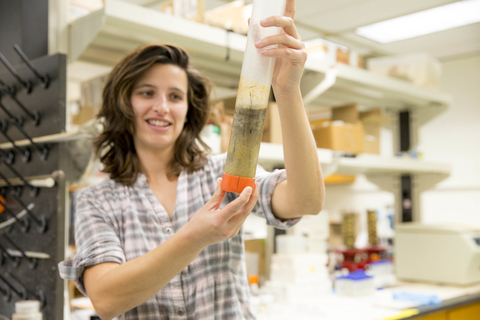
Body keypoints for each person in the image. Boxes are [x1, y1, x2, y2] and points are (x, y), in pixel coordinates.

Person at [59, 1, 325, 319]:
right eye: (146, 93)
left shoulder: (226, 172)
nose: (162, 107)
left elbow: (306, 200)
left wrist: (287, 89)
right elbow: (105, 299)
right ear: (124, 104)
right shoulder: (97, 200)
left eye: (175, 96)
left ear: (188, 110)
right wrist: (194, 236)